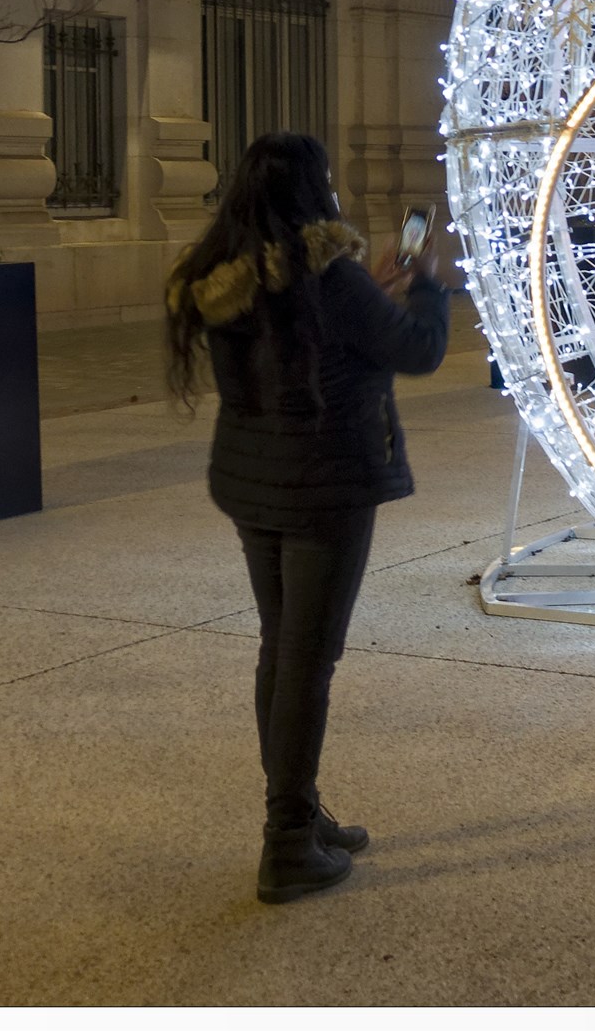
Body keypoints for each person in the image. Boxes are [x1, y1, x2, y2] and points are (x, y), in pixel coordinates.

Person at [164, 133, 450, 903]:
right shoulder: (330, 276)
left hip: (255, 482)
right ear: (312, 190)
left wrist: (369, 293)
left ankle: (299, 811)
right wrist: (425, 284)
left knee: (281, 647)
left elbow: (317, 343)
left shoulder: (226, 279)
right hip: (325, 485)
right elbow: (420, 350)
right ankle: (287, 839)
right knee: (307, 660)